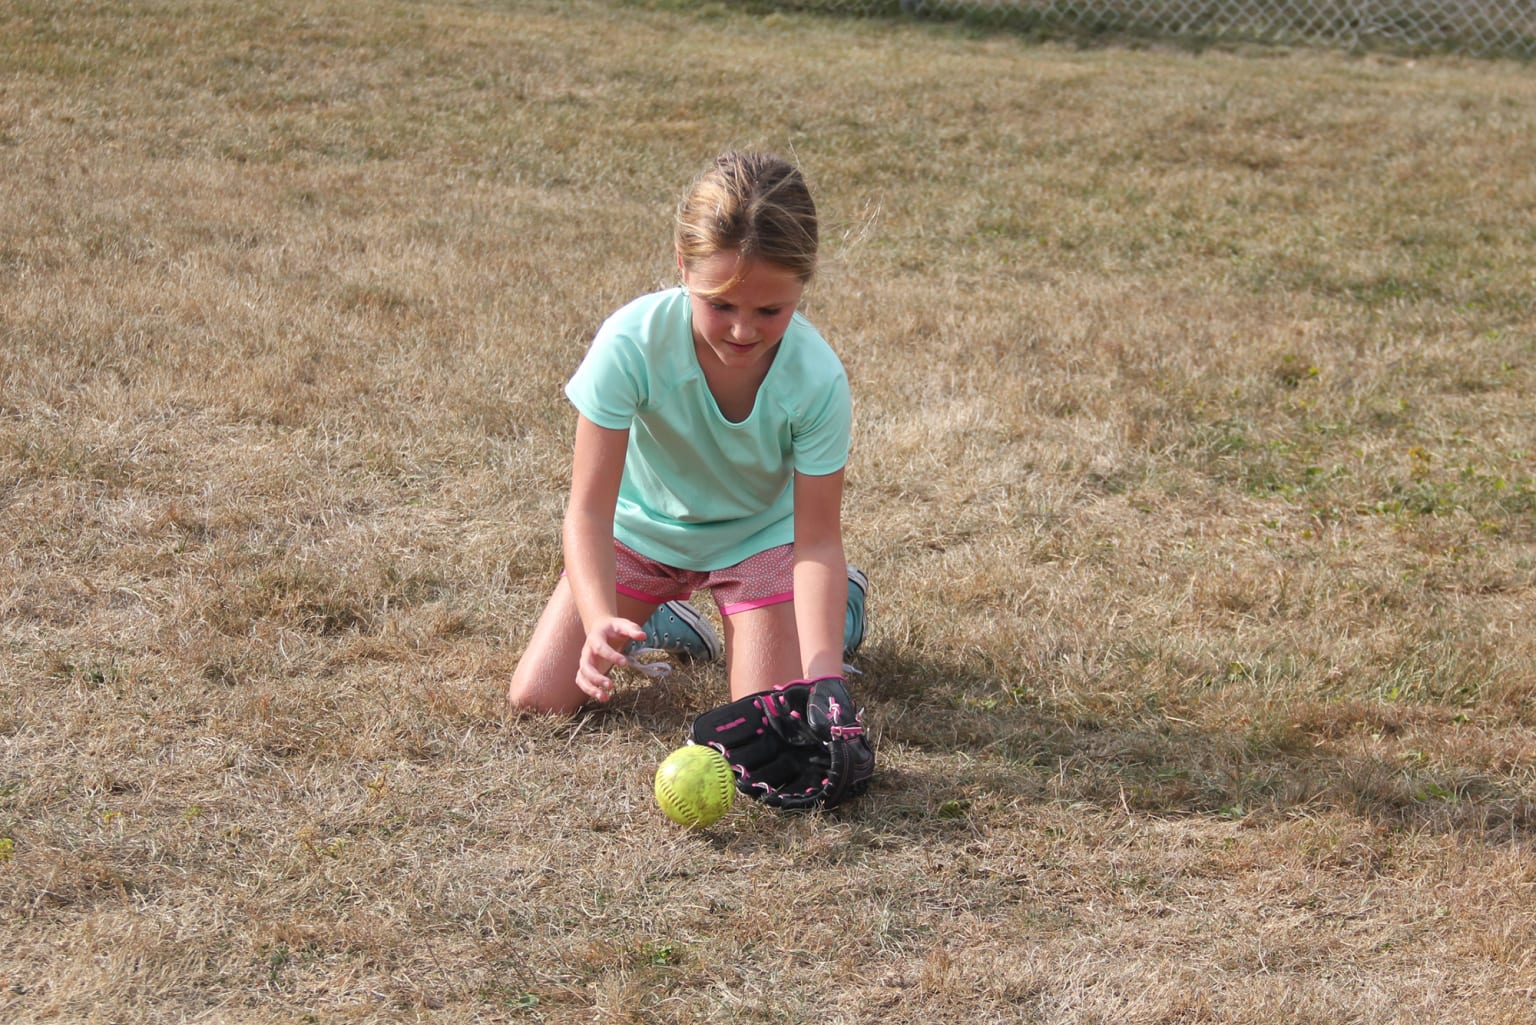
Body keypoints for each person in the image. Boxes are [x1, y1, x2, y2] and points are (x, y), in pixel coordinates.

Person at [507, 150, 867, 716]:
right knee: (537, 699)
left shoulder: (817, 377)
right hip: (644, 534)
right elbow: (588, 513)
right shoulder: (631, 343)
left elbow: (818, 540)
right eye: (720, 303)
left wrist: (824, 673)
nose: (744, 330)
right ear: (683, 266)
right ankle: (664, 612)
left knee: (768, 718)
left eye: (771, 310)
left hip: (758, 542)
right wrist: (600, 617)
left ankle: (838, 611)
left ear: (804, 283)